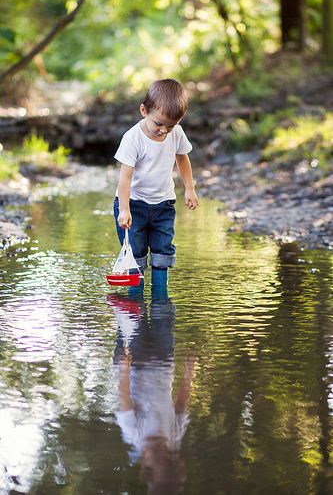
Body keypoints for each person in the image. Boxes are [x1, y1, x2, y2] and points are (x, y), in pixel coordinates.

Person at [113, 78, 199, 289]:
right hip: (134, 204)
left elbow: (182, 158)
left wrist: (189, 189)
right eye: (158, 124)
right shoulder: (133, 138)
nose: (163, 130)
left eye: (170, 126)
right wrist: (124, 209)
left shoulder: (175, 133)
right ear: (144, 110)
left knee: (163, 250)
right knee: (136, 252)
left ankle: (161, 301)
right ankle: (136, 303)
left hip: (163, 204)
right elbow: (125, 177)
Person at [109, 292, 197, 494]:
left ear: (145, 467)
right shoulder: (174, 438)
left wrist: (124, 368)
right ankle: (160, 277)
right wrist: (189, 373)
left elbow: (125, 398)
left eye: (162, 459)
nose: (167, 452)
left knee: (133, 311)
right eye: (172, 457)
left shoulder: (135, 435)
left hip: (134, 363)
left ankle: (134, 273)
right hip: (162, 361)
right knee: (163, 314)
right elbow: (182, 405)